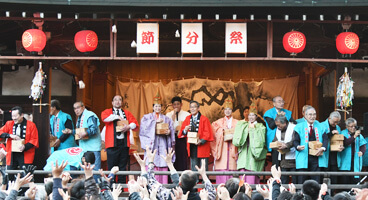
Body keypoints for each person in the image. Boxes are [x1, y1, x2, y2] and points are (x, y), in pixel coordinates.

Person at [133, 146, 216, 200]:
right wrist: (204, 175)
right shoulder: (202, 197)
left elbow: (150, 181)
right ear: (195, 184)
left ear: (180, 182)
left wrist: (149, 162)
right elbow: (212, 193)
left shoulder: (169, 195)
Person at [101, 95, 139, 183]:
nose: (117, 101)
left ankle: (121, 186)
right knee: (111, 166)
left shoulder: (127, 113)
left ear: (122, 102)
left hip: (124, 143)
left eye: (120, 100)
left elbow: (135, 124)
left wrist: (128, 127)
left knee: (122, 166)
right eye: (115, 100)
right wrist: (117, 116)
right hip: (112, 143)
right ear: (112, 102)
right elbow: (105, 118)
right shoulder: (107, 112)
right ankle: (111, 185)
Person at [139, 91, 175, 184]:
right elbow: (143, 129)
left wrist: (169, 132)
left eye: (159, 106)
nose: (157, 108)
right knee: (151, 162)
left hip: (163, 143)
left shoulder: (167, 118)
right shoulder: (147, 117)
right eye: (155, 106)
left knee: (163, 162)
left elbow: (171, 130)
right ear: (152, 107)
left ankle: (164, 185)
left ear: (162, 107)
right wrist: (155, 123)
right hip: (152, 144)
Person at [233, 103, 267, 184]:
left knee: (252, 178)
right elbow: (237, 139)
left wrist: (253, 130)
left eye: (253, 115)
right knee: (242, 178)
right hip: (244, 153)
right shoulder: (243, 125)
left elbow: (261, 140)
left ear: (256, 117)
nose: (251, 117)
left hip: (253, 155)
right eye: (249, 115)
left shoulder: (261, 127)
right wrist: (246, 130)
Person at [0, 106, 39, 176]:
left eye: (15, 116)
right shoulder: (9, 124)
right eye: (12, 116)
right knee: (9, 175)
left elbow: (34, 139)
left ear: (22, 115)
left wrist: (25, 146)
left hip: (26, 153)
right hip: (12, 154)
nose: (14, 118)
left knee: (26, 175)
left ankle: (27, 187)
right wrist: (10, 135)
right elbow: (1, 132)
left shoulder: (31, 125)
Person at [293, 106, 328, 183]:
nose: (312, 117)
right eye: (310, 114)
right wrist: (298, 146)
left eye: (314, 114)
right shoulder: (299, 126)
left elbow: (325, 139)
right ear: (305, 115)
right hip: (303, 155)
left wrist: (323, 148)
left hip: (317, 156)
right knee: (302, 179)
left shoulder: (321, 126)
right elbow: (295, 140)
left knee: (316, 180)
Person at [179, 100, 214, 171]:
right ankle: (194, 181)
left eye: (194, 107)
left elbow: (207, 133)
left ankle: (205, 181)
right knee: (194, 167)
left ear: (198, 108)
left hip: (202, 145)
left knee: (204, 167)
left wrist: (201, 141)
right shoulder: (188, 118)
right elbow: (182, 132)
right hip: (192, 146)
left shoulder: (204, 119)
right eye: (191, 107)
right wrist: (185, 130)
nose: (192, 109)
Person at [210, 96, 238, 184]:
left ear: (232, 110)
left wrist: (234, 134)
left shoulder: (237, 122)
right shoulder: (217, 123)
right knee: (222, 175)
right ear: (223, 110)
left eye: (229, 109)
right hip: (222, 151)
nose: (228, 111)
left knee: (232, 172)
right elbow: (213, 134)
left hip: (233, 149)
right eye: (226, 109)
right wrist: (222, 132)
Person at [264, 96, 295, 167]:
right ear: (274, 103)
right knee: (276, 163)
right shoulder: (269, 113)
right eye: (279, 101)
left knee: (286, 163)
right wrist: (279, 116)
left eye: (282, 101)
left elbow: (294, 123)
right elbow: (271, 126)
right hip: (276, 140)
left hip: (287, 140)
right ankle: (276, 177)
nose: (281, 103)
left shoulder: (287, 112)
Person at [73, 101, 101, 177]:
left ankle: (95, 188)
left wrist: (85, 133)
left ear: (83, 107)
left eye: (78, 107)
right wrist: (71, 131)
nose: (76, 110)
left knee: (94, 170)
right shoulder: (80, 117)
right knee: (84, 170)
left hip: (93, 148)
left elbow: (93, 129)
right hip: (84, 148)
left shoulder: (89, 115)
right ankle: (85, 187)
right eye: (74, 108)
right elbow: (79, 132)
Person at [338, 118, 367, 184]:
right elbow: (346, 142)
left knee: (355, 182)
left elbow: (363, 145)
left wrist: (362, 152)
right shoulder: (343, 133)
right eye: (351, 126)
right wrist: (354, 136)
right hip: (345, 161)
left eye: (355, 126)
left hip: (355, 161)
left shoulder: (359, 135)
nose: (353, 128)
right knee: (345, 182)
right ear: (347, 126)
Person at [166, 96, 190, 171]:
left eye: (178, 104)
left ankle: (182, 176)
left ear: (181, 104)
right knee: (172, 156)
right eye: (174, 104)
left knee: (182, 156)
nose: (176, 106)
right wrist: (173, 118)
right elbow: (167, 127)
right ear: (172, 105)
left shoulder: (186, 114)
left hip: (182, 138)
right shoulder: (168, 115)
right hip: (172, 138)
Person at [272, 114, 296, 184]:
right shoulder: (278, 129)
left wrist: (286, 145)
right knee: (284, 179)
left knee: (294, 179)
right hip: (282, 158)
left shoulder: (293, 127)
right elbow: (275, 139)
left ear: (285, 123)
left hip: (292, 158)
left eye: (279, 125)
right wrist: (275, 144)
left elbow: (294, 141)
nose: (278, 127)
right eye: (277, 125)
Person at [320, 111, 343, 186]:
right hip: (325, 154)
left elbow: (339, 139)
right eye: (334, 122)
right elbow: (320, 138)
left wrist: (341, 146)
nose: (335, 124)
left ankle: (333, 193)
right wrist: (331, 133)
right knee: (324, 176)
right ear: (329, 118)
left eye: (337, 122)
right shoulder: (322, 125)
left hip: (334, 154)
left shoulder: (338, 128)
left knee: (334, 176)